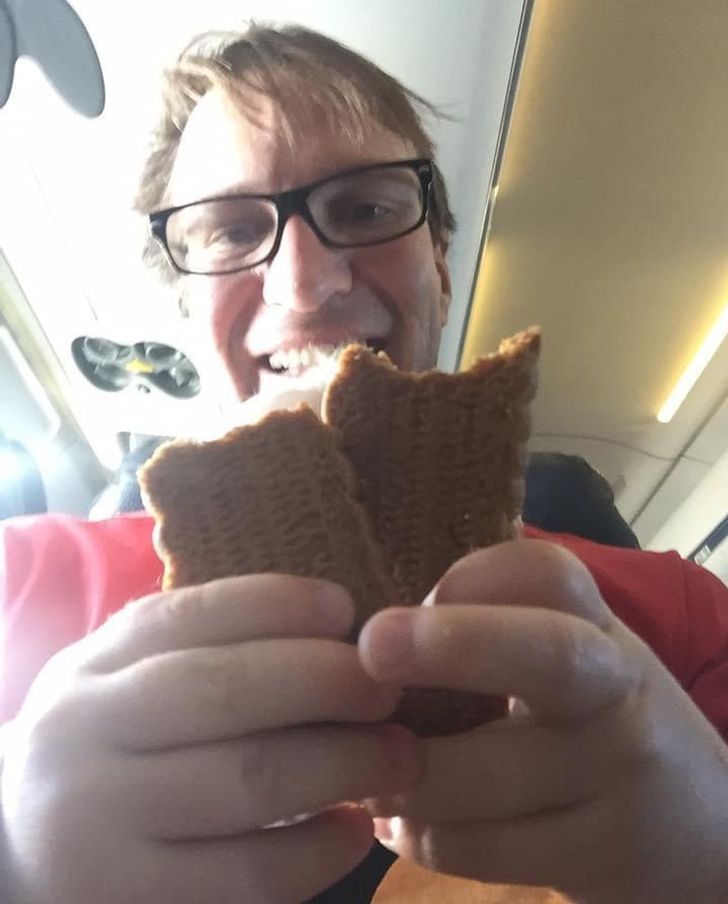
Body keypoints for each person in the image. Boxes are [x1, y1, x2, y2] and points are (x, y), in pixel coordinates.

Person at [1, 24, 728, 904]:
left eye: (366, 209)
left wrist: (711, 856)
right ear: (188, 304)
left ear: (442, 268)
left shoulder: (688, 620)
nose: (303, 284)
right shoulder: (18, 585)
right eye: (231, 230)